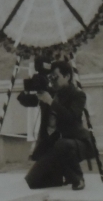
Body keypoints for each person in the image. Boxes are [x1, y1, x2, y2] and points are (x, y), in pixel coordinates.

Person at [17, 59, 93, 190]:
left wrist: (51, 102)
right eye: (50, 77)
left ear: (67, 76)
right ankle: (60, 176)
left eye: (55, 77)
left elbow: (71, 117)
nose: (52, 81)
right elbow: (27, 101)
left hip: (75, 141)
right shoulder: (49, 92)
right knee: (33, 182)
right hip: (52, 144)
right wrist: (29, 89)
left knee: (62, 145)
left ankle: (77, 178)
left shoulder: (78, 95)